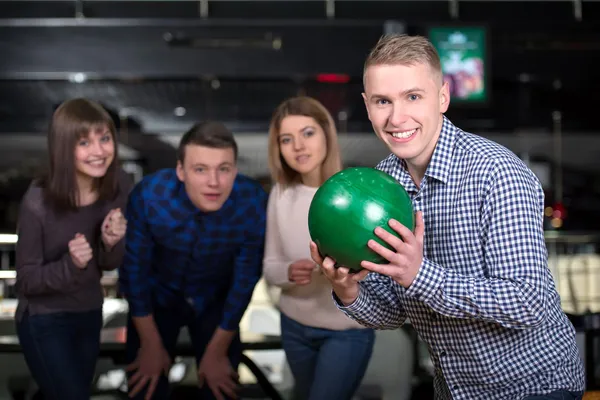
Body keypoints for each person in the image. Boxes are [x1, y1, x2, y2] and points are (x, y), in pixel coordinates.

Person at [310, 34, 586, 400]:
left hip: (533, 387)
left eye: (412, 96)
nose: (396, 117)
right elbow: (392, 314)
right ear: (366, 105)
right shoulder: (382, 183)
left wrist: (419, 274)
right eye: (382, 101)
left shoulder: (497, 173)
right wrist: (347, 288)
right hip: (457, 391)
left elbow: (527, 301)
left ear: (442, 97)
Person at [120, 121, 268, 400]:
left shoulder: (253, 201)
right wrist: (151, 344)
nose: (214, 182)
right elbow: (134, 272)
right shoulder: (150, 196)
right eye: (200, 169)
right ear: (180, 170)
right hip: (157, 300)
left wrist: (216, 351)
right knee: (145, 387)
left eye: (224, 169)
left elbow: (246, 277)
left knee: (220, 387)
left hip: (216, 302)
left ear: (235, 170)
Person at [14, 98, 131, 399]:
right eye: (84, 143)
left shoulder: (116, 188)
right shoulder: (37, 201)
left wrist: (111, 242)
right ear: (64, 149)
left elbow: (108, 263)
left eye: (105, 139)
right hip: (44, 319)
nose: (99, 151)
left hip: (90, 312)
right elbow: (26, 280)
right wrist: (71, 265)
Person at [263, 96, 375, 400]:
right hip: (294, 325)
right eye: (287, 139)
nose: (298, 146)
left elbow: (382, 272)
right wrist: (288, 271)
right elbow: (270, 267)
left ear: (327, 133)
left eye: (308, 133)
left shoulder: (357, 192)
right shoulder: (281, 193)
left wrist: (348, 274)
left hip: (346, 331)